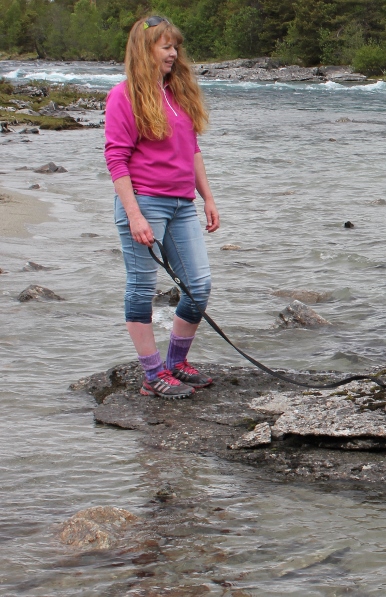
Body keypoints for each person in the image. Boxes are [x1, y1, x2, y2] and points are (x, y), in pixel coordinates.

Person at [104, 15, 219, 398]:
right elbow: (117, 158)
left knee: (198, 286)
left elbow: (193, 150)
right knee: (141, 288)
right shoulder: (123, 96)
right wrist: (134, 215)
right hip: (145, 203)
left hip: (182, 203)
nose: (173, 53)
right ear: (145, 49)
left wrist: (208, 198)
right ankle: (152, 373)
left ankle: (176, 364)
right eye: (165, 46)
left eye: (175, 47)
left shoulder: (179, 92)